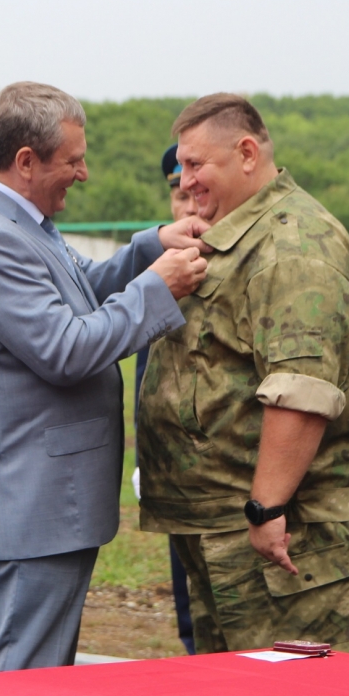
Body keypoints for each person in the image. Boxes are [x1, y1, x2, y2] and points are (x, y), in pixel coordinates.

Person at [0, 82, 209, 673]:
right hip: (32, 506)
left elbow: (84, 284)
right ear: (26, 161)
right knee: (20, 687)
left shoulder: (17, 218)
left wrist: (151, 247)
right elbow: (66, 348)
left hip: (44, 504)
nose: (83, 174)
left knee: (42, 682)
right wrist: (159, 288)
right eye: (73, 160)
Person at [137, 93, 349, 655]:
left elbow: (301, 392)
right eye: (181, 167)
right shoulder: (236, 233)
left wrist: (266, 508)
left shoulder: (293, 245)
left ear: (247, 153)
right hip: (222, 527)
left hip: (282, 533)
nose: (185, 180)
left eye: (196, 165)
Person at [132, 143, 198, 655]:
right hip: (174, 470)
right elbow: (143, 367)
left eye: (197, 188)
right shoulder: (153, 270)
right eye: (179, 191)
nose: (189, 203)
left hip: (237, 476)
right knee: (190, 612)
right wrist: (143, 456)